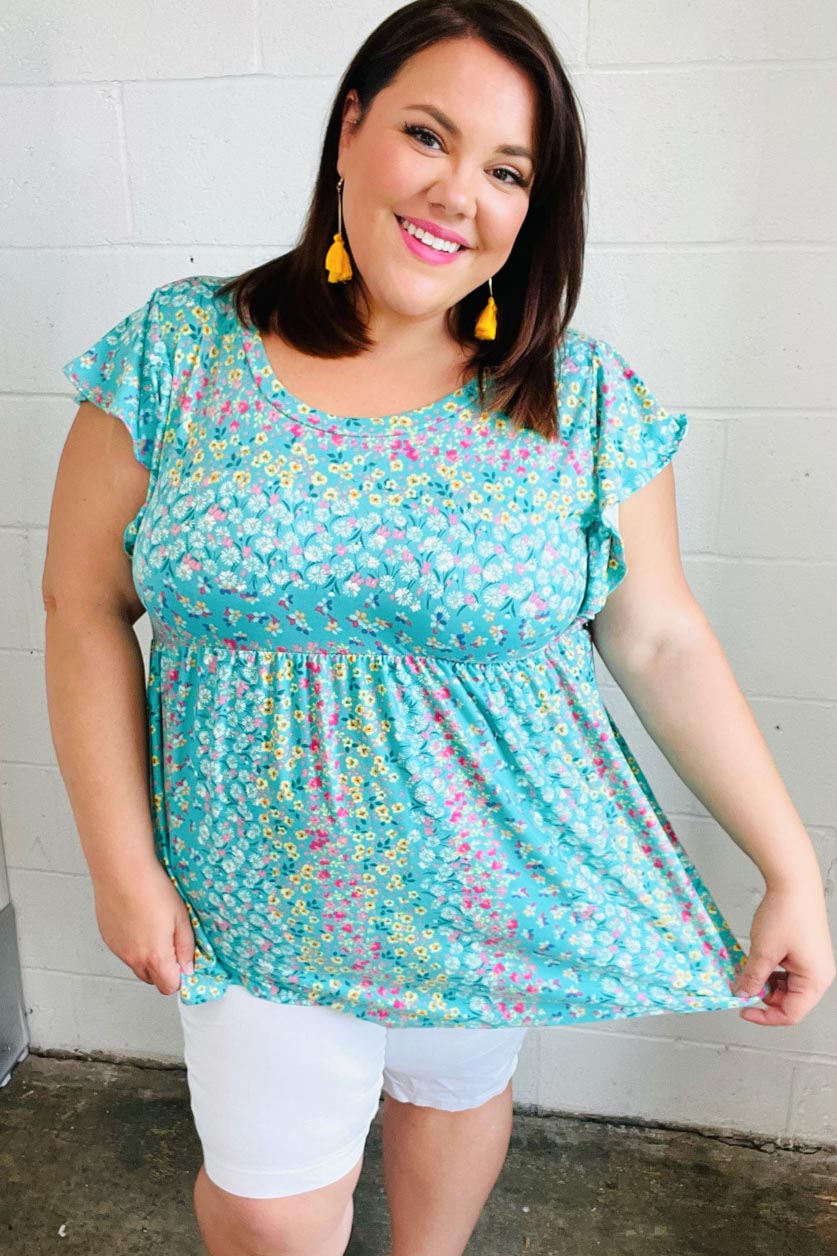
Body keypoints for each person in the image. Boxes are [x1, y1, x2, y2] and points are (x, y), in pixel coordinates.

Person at [43, 2, 835, 1254]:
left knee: (451, 1094)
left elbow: (663, 638)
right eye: (427, 134)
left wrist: (792, 868)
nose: (457, 193)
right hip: (250, 900)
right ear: (350, 129)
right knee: (267, 1211)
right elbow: (82, 605)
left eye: (508, 171)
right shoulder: (178, 353)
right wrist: (119, 863)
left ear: (535, 208)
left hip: (488, 880)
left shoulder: (579, 398)